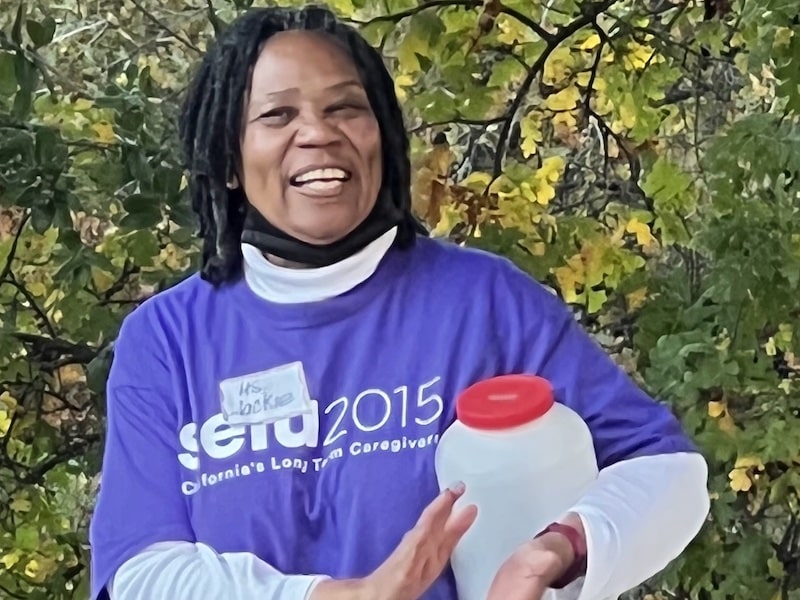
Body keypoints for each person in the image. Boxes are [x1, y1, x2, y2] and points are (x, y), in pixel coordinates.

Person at [88, 5, 710, 600]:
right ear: (227, 160)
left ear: (381, 136)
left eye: (346, 108)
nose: (318, 133)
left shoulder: (484, 304)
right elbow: (140, 571)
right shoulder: (166, 339)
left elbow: (668, 472)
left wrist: (558, 550)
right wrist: (350, 595)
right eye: (277, 116)